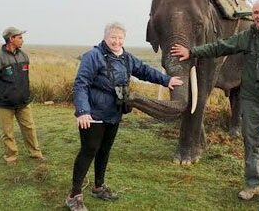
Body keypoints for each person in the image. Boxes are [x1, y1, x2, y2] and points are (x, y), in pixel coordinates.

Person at [171, 0, 259, 211]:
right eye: (256, 13)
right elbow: (219, 46)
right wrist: (193, 52)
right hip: (251, 101)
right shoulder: (247, 37)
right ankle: (253, 184)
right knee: (251, 144)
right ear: (252, 15)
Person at [65, 22, 183, 211]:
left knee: (104, 150)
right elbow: (81, 84)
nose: (117, 41)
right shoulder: (93, 56)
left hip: (114, 113)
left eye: (120, 38)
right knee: (89, 151)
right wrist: (82, 111)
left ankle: (98, 187)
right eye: (113, 37)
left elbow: (145, 71)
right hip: (94, 115)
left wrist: (167, 80)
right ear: (105, 37)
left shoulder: (126, 58)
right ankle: (74, 195)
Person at [0, 27, 45, 166]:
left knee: (29, 128)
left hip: (23, 102)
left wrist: (26, 95)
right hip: (4, 103)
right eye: (20, 37)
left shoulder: (24, 56)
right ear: (11, 39)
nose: (23, 40)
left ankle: (35, 153)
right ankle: (11, 157)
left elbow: (26, 79)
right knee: (7, 132)